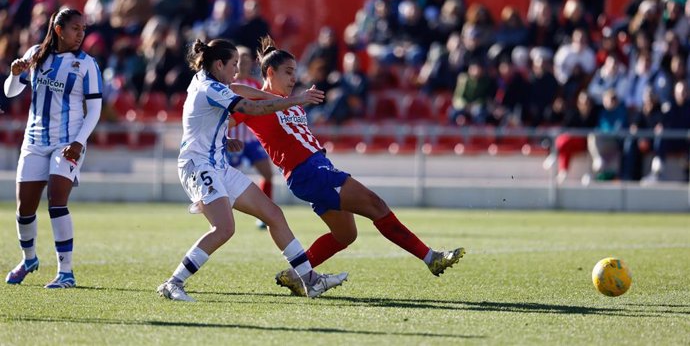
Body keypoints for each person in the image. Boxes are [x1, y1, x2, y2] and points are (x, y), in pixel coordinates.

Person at [230, 36, 464, 297]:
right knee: (376, 205)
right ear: (270, 72)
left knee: (345, 235)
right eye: (288, 72)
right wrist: (225, 138)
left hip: (318, 168)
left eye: (295, 72)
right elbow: (234, 93)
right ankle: (431, 257)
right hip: (307, 172)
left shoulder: (290, 101)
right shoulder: (258, 104)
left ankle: (298, 275)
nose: (294, 78)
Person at [157, 38, 347, 302]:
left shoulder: (206, 80)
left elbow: (236, 94)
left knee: (273, 214)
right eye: (234, 64)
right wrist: (296, 100)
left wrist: (222, 137)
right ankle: (173, 283)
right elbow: (254, 108)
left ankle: (310, 280)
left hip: (216, 164)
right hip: (198, 165)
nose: (237, 70)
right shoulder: (211, 88)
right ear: (219, 63)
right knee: (224, 228)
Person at [3, 8, 103, 289]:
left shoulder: (86, 64)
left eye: (83, 29)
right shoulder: (37, 53)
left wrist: (79, 142)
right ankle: (29, 259)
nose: (81, 34)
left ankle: (66, 272)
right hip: (34, 141)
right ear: (58, 29)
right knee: (25, 208)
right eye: (75, 28)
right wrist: (13, 75)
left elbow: (94, 109)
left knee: (57, 200)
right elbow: (12, 92)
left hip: (67, 143)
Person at [224, 46, 274, 229]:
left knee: (267, 174)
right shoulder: (227, 87)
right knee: (226, 181)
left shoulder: (254, 86)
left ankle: (265, 215)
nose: (244, 62)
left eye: (246, 58)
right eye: (240, 58)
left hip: (252, 141)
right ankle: (222, 214)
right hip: (232, 140)